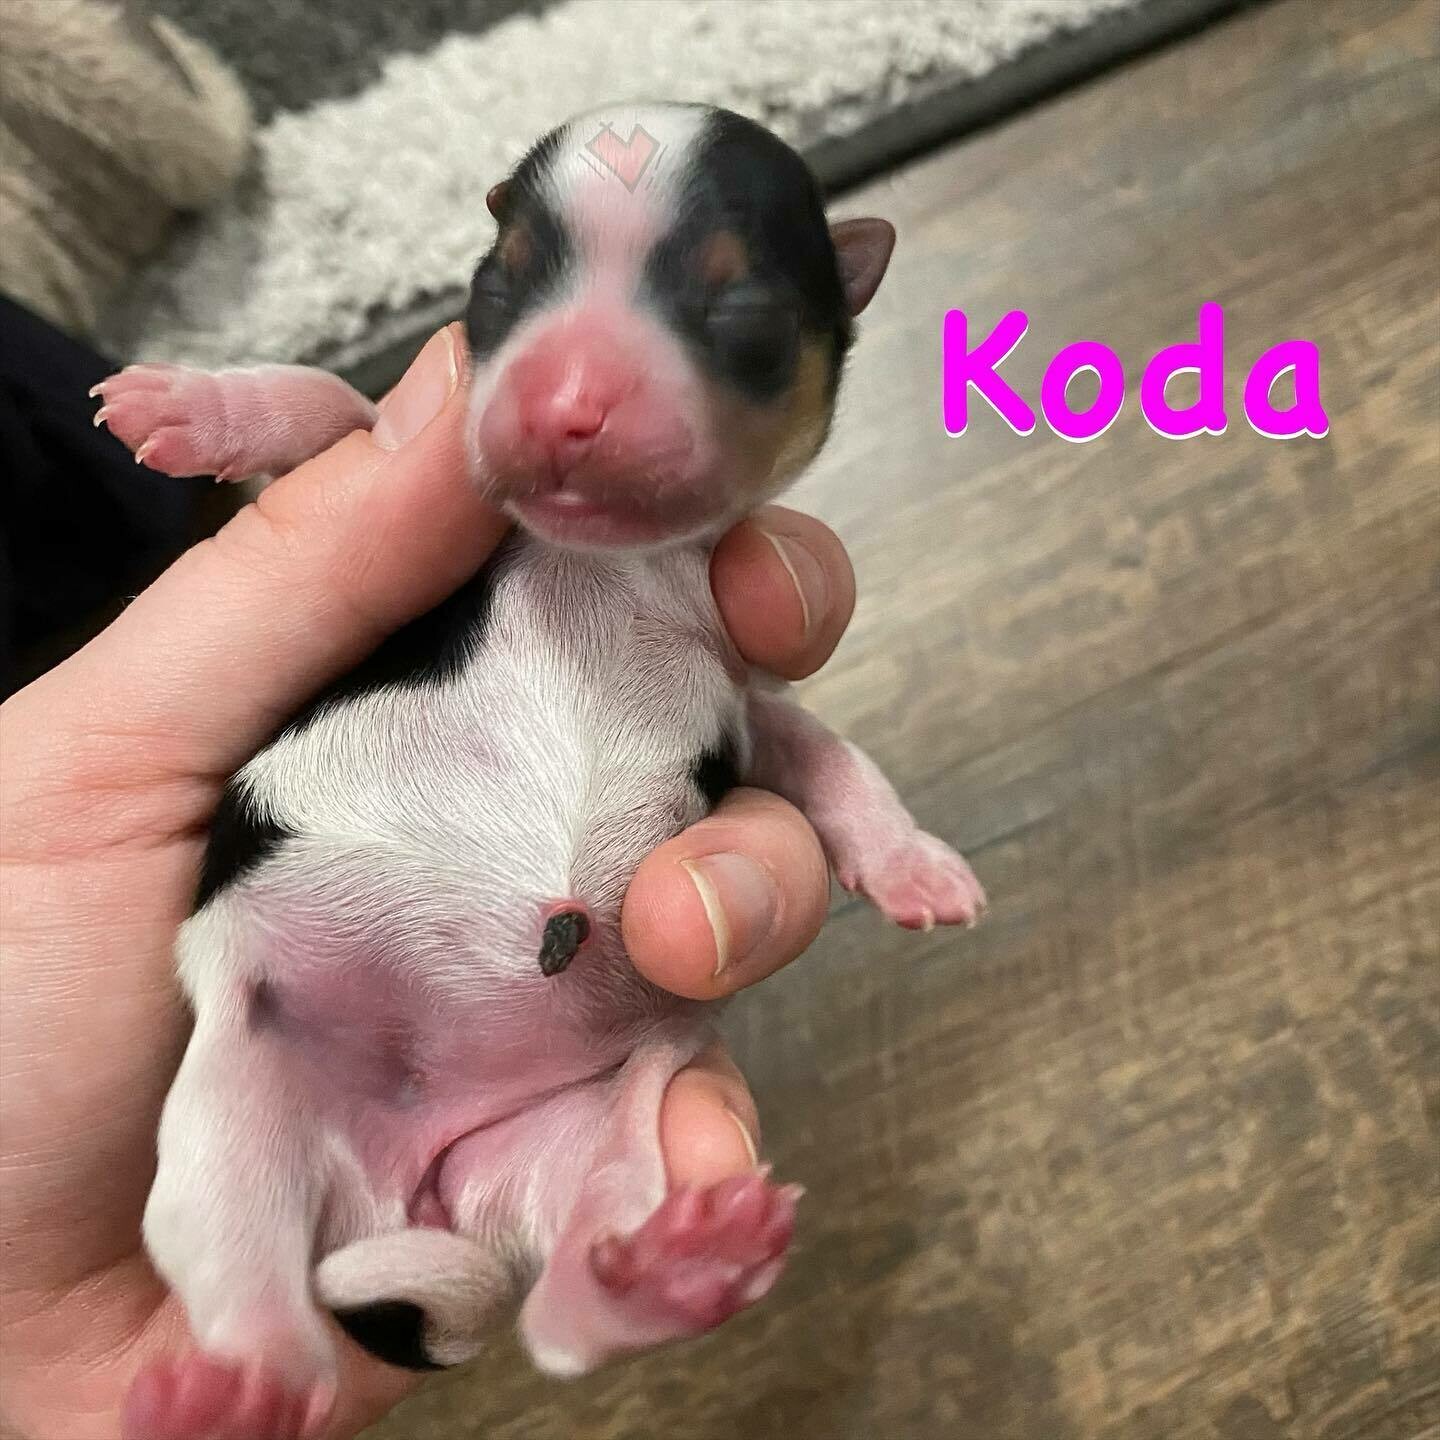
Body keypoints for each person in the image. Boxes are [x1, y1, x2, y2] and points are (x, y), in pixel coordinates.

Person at [0, 324, 855, 1440]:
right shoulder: (482, 464)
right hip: (321, 1000)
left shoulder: (699, 570)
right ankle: (258, 1336)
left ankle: (599, 1281)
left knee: (605, 1144)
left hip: (538, 1067)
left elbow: (763, 731)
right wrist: (242, 410)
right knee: (245, 1110)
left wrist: (860, 822)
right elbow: (355, 438)